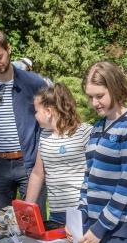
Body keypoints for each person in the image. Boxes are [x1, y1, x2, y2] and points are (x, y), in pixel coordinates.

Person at [74, 61, 127, 243]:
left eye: (99, 96)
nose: (94, 103)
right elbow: (88, 176)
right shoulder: (98, 127)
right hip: (97, 225)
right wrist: (80, 216)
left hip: (123, 228)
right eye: (90, 97)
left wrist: (101, 226)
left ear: (116, 88)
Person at [0, 28, 48, 209]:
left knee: (34, 224)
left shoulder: (34, 83)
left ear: (9, 49)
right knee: (0, 226)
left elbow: (49, 126)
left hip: (29, 164)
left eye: (0, 57)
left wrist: (43, 161)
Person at [24, 83, 92, 223]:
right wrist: (27, 208)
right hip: (56, 213)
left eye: (36, 111)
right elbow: (37, 174)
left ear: (48, 111)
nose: (34, 116)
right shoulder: (44, 136)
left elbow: (96, 172)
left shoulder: (84, 133)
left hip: (81, 210)